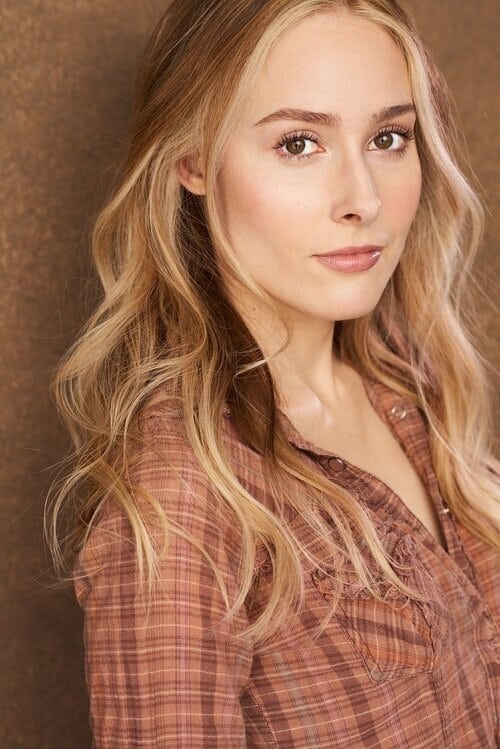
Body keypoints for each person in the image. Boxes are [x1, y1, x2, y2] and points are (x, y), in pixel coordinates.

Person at [45, 0, 500, 746]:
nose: (363, 200)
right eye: (298, 143)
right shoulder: (183, 500)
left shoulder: (408, 382)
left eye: (388, 138)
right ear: (192, 160)